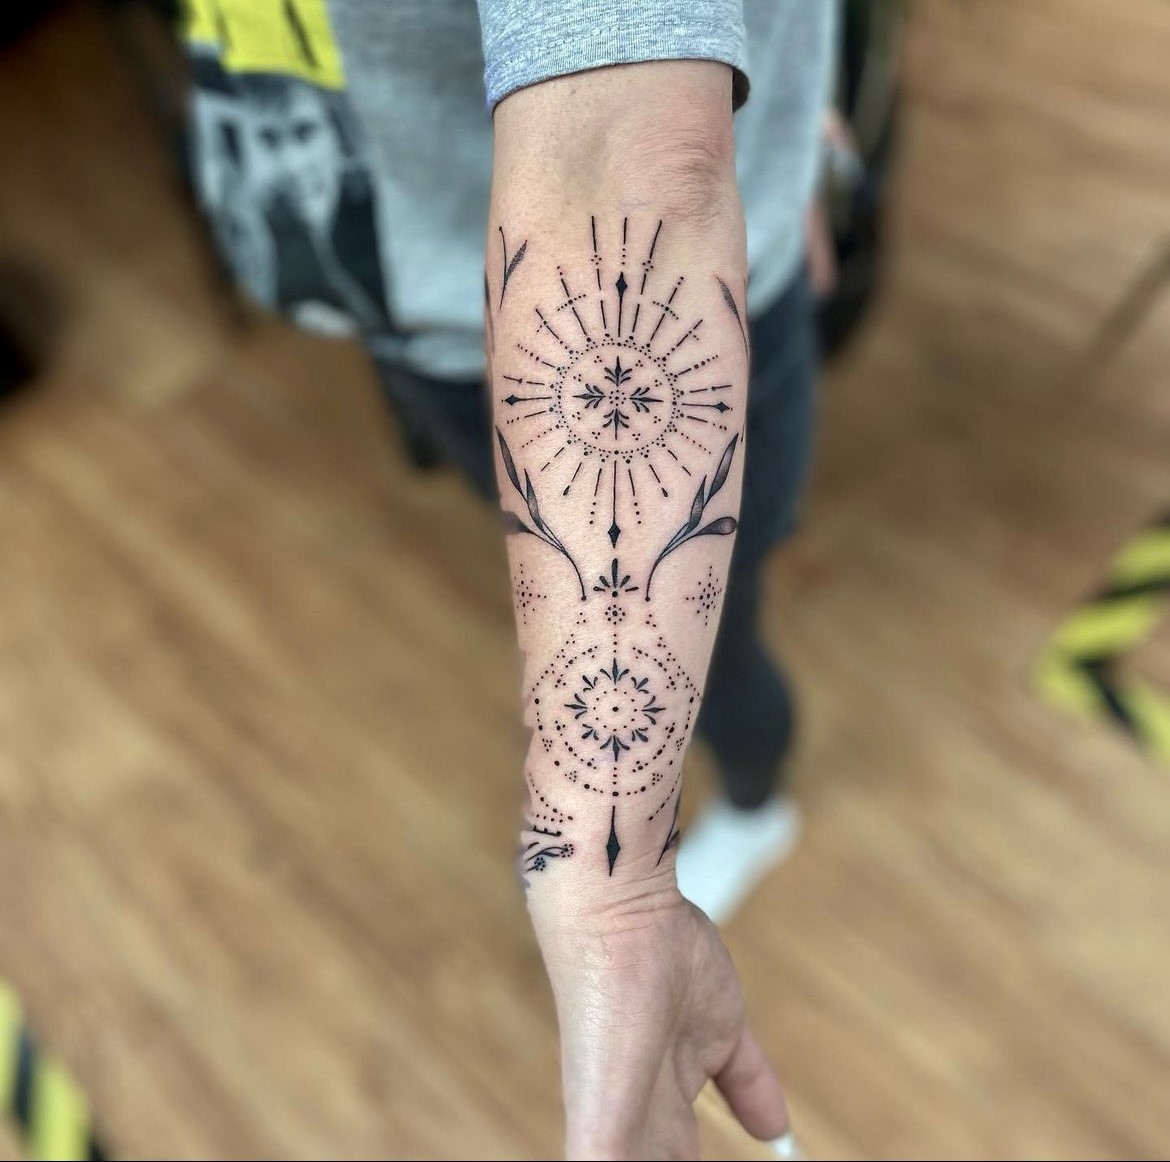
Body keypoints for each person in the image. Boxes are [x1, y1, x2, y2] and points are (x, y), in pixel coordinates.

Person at [184, 1, 836, 1156]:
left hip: (627, 298)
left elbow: (628, 170)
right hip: (406, 288)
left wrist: (609, 881)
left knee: (718, 653)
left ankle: (756, 799)